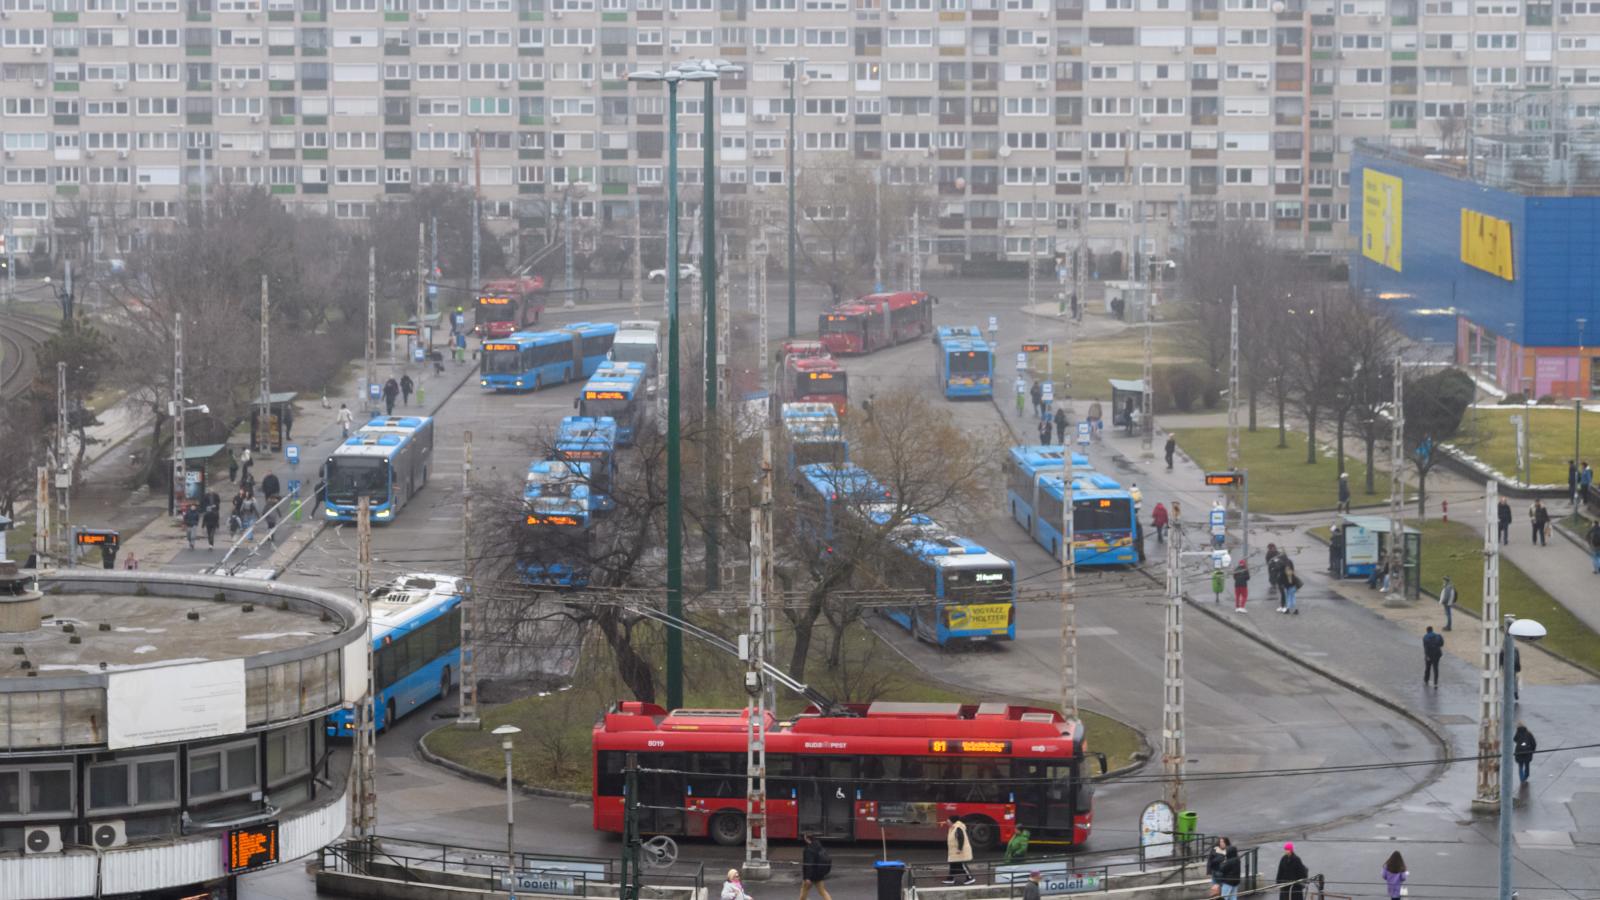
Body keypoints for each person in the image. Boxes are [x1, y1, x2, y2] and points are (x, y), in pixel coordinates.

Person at [798, 833, 833, 900]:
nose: (804, 839)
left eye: (804, 838)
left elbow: (809, 864)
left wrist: (807, 877)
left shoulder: (809, 850)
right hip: (819, 874)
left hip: (811, 876)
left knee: (804, 890)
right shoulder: (819, 846)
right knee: (822, 891)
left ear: (807, 839)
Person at [943, 816, 975, 885]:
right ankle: (950, 879)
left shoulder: (958, 828)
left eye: (948, 821)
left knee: (962, 865)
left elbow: (961, 839)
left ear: (952, 821)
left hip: (960, 852)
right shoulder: (953, 828)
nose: (947, 822)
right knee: (953, 864)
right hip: (954, 852)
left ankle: (970, 878)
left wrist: (959, 849)